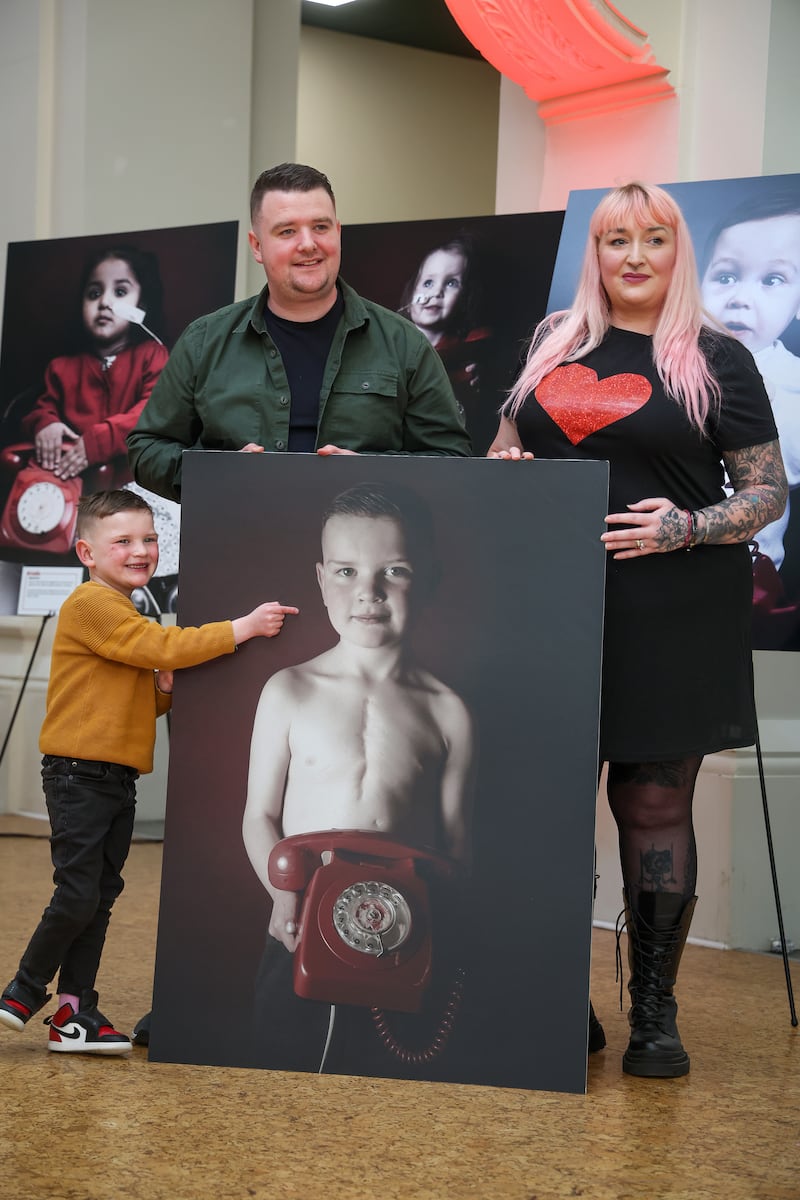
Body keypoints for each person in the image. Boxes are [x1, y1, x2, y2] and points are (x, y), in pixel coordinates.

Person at [489, 182, 787, 1079]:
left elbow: (767, 496)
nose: (634, 256)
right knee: (547, 809)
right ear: (596, 251)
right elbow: (508, 447)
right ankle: (556, 998)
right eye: (616, 239)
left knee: (653, 807)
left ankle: (654, 1010)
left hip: (674, 611)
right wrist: (503, 468)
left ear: (677, 251)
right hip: (547, 606)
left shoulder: (718, 358)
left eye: (654, 239)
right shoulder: (554, 345)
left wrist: (683, 526)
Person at [0, 490, 297, 1055]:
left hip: (113, 777)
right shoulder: (91, 604)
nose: (141, 551)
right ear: (86, 552)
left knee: (101, 895)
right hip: (77, 774)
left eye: (150, 540)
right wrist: (243, 628)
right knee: (79, 892)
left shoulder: (125, 608)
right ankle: (23, 989)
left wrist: (160, 691)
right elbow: (158, 645)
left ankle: (74, 1014)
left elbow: (133, 694)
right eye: (124, 542)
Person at [242, 481, 474, 1076]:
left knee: (395, 1085)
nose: (367, 592)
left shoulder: (448, 710)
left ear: (429, 578)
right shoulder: (288, 690)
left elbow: (457, 843)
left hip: (403, 927)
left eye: (393, 570)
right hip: (301, 918)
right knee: (283, 1070)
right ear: (321, 580)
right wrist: (282, 897)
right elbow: (259, 815)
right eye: (346, 571)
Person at [127, 163, 471, 503]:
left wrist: (372, 475)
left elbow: (452, 457)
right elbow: (147, 449)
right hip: (237, 547)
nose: (308, 244)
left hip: (366, 553)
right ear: (257, 246)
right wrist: (219, 473)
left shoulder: (404, 343)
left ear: (338, 232)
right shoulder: (205, 342)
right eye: (287, 231)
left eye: (320, 227)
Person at [701, 191, 800, 571]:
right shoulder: (668, 365)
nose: (741, 298)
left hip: (750, 574)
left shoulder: (792, 386)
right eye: (726, 276)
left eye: (772, 279)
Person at [19, 246, 169, 490]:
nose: (105, 302)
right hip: (73, 482)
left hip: (133, 482)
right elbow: (40, 410)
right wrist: (46, 425)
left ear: (141, 304)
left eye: (120, 292)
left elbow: (154, 412)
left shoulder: (152, 355)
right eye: (94, 293)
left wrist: (99, 441)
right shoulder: (62, 368)